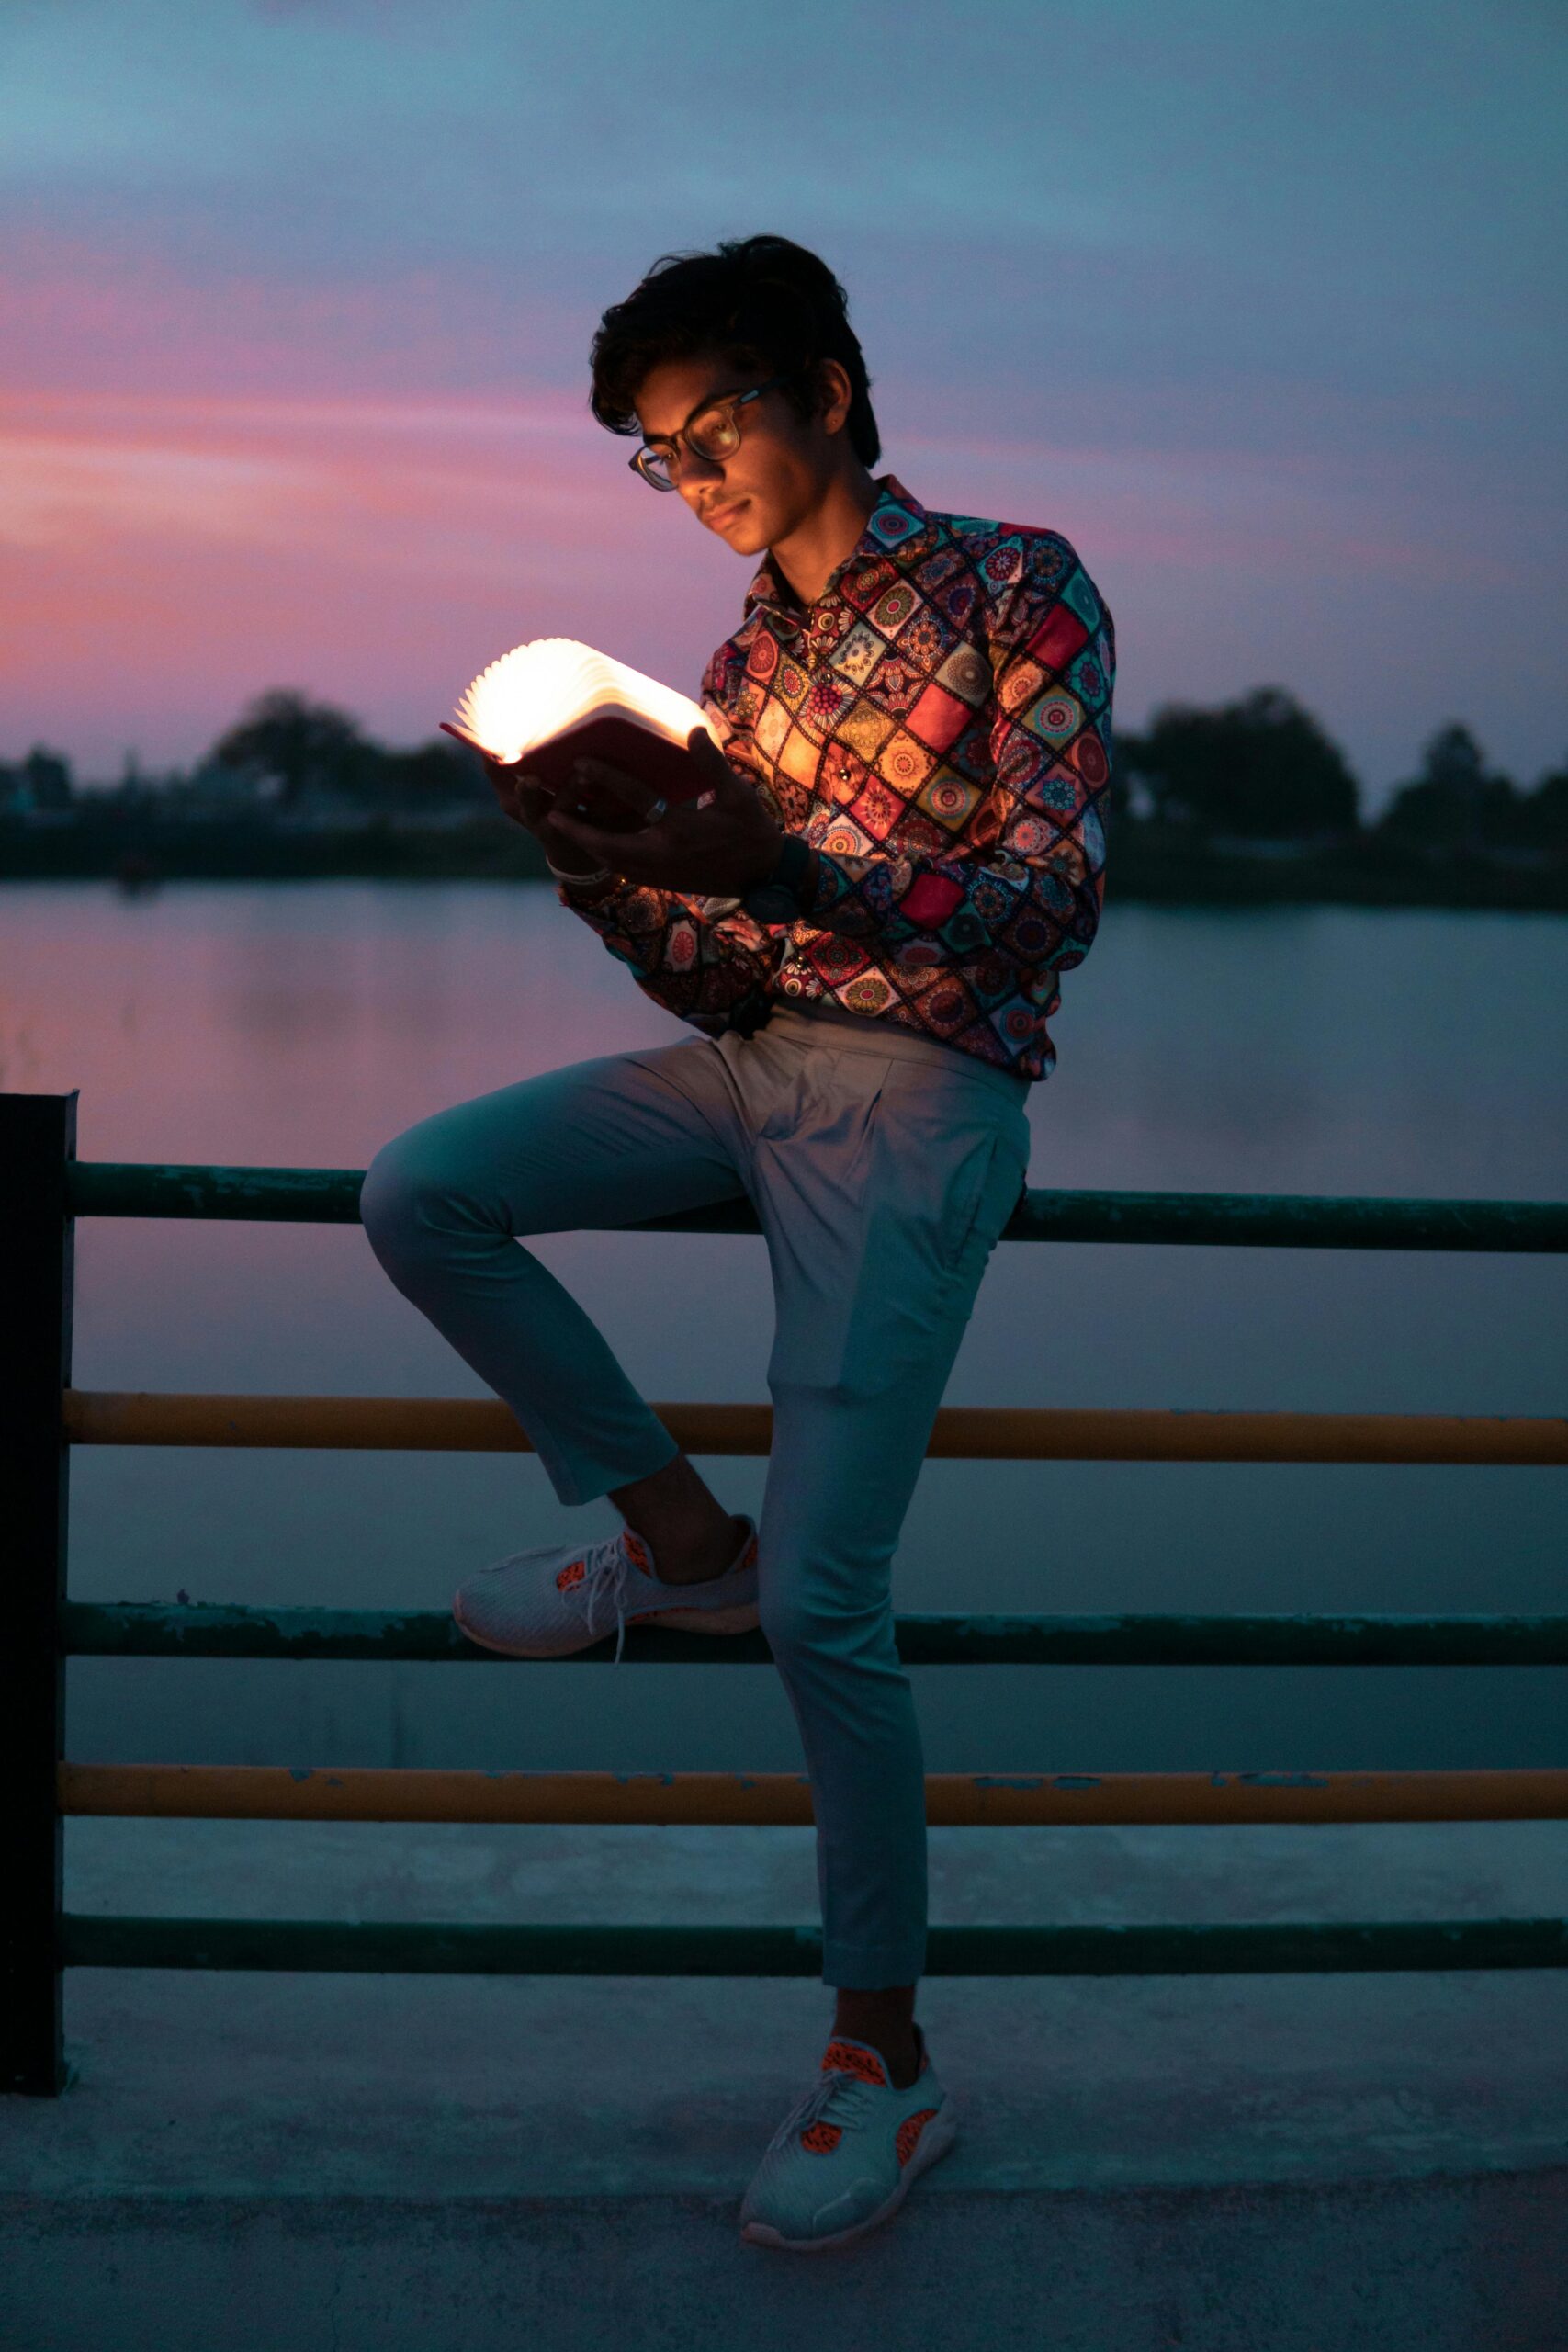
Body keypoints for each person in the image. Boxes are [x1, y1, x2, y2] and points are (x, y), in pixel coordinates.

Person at [358, 232, 1115, 2254]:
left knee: (830, 1611)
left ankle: (884, 2054)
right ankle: (677, 1542)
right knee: (421, 1187)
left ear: (831, 392)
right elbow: (720, 977)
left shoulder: (1013, 588)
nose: (692, 481)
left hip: (925, 1092)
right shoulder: (731, 669)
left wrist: (781, 856)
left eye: (713, 431)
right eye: (653, 460)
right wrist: (605, 876)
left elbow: (1042, 905)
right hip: (756, 1066)